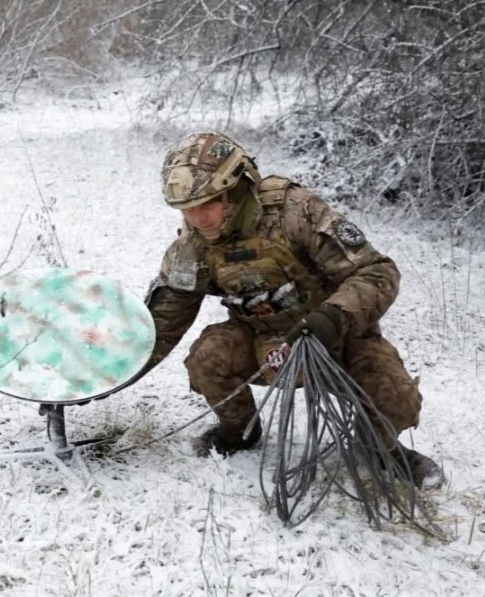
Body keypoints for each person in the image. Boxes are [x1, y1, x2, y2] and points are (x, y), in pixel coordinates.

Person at [141, 132, 443, 487]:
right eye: (187, 210)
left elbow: (377, 271)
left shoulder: (295, 212)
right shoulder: (192, 244)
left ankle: (380, 449)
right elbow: (165, 319)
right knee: (208, 357)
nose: (197, 219)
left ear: (236, 190)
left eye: (208, 204)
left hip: (335, 334)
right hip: (261, 340)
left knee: (394, 396)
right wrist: (106, 375)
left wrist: (331, 318)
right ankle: (239, 431)